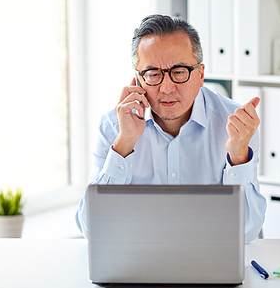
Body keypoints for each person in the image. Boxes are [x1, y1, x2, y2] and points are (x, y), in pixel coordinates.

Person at [75, 14, 266, 244]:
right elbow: (91, 230)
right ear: (137, 79)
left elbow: (246, 233)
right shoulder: (113, 127)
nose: (166, 88)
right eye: (153, 73)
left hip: (209, 262)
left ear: (201, 74)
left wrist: (238, 156)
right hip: (138, 265)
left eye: (179, 71)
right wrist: (124, 144)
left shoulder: (236, 125)